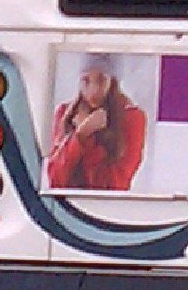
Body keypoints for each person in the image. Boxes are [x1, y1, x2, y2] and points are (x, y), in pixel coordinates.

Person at [46, 53, 148, 191]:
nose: (93, 90)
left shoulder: (133, 118)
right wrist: (80, 135)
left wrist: (90, 139)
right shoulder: (64, 113)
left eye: (101, 80)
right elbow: (55, 180)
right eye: (85, 80)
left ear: (113, 81)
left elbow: (114, 186)